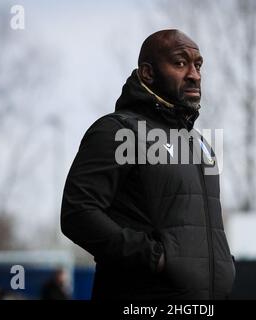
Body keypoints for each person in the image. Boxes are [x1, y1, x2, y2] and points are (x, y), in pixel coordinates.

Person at [61, 29, 235, 300]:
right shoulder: (118, 130)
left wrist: (223, 265)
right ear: (147, 73)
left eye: (198, 65)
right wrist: (155, 259)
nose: (194, 74)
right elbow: (78, 214)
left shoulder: (202, 145)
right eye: (180, 63)